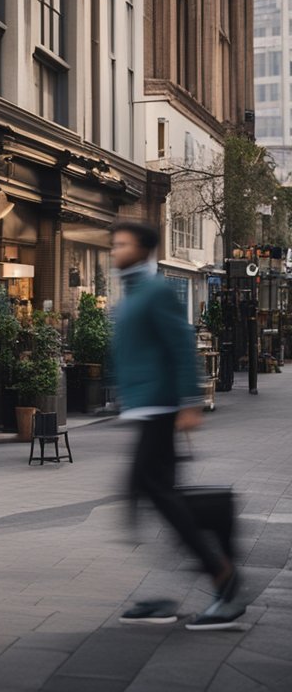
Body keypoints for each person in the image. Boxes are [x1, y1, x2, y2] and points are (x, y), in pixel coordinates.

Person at [111, 221, 243, 630]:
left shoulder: (155, 291)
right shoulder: (133, 291)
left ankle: (221, 574)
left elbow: (181, 345)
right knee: (155, 492)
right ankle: (214, 563)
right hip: (144, 405)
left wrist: (189, 402)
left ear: (143, 249)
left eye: (122, 244)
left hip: (159, 405)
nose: (115, 250)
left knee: (155, 492)